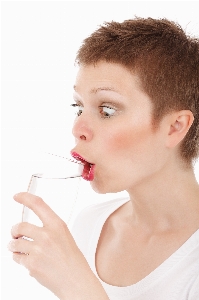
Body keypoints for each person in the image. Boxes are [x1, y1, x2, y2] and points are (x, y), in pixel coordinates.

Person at [8, 17, 199, 299]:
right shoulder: (91, 223)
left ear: (175, 127)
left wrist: (77, 287)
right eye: (79, 107)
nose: (78, 129)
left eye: (107, 110)